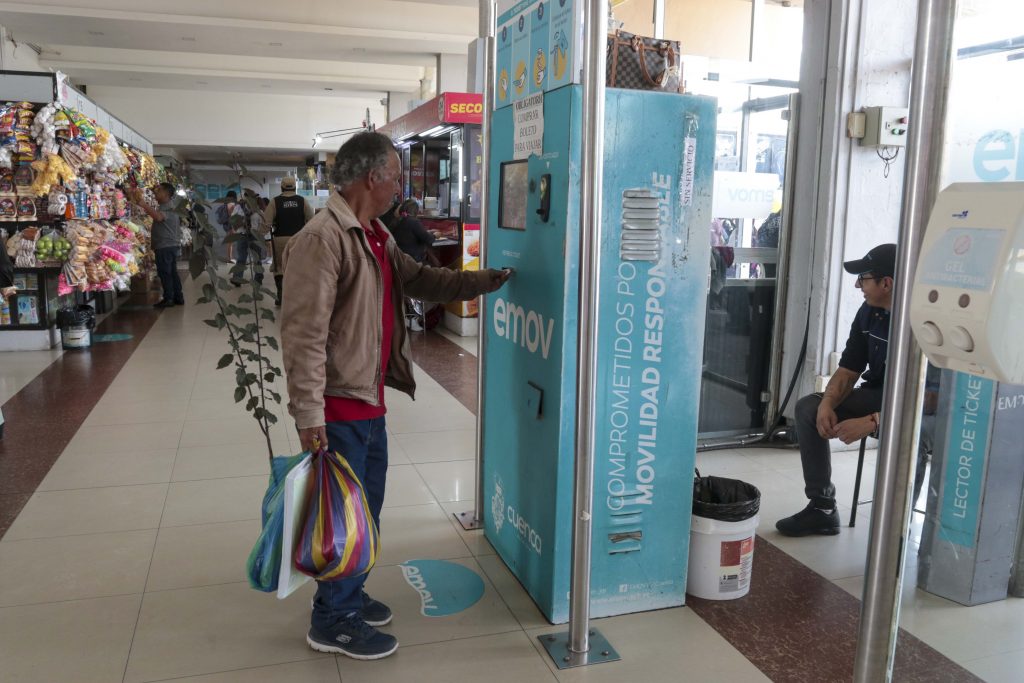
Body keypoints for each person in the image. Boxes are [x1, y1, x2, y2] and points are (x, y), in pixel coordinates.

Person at [280, 131, 510, 660]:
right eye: (395, 176)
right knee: (341, 516)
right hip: (337, 407)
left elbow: (424, 280)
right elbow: (304, 334)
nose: (400, 186)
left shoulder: (375, 233)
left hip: (367, 400)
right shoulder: (324, 239)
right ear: (371, 178)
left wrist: (484, 282)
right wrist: (308, 413)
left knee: (366, 510)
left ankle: (349, 593)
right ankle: (333, 620)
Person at [776, 243, 897, 537]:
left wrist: (873, 421)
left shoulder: (921, 319)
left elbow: (930, 400)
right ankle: (823, 508)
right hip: (878, 393)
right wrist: (828, 403)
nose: (858, 285)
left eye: (864, 278)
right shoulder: (869, 312)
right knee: (808, 407)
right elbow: (848, 369)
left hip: (915, 407)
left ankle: (896, 532)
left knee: (915, 439)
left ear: (886, 283)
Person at [133, 182, 184, 308]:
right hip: (168, 244)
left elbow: (158, 217)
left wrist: (143, 205)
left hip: (165, 245)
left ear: (166, 193)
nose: (156, 191)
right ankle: (178, 297)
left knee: (165, 272)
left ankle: (169, 299)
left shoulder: (168, 206)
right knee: (171, 272)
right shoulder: (166, 205)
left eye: (159, 190)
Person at [263, 177, 312, 305]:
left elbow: (266, 223)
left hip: (280, 238)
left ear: (282, 188)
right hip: (298, 239)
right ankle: (296, 296)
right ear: (295, 188)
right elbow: (311, 221)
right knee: (298, 266)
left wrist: (258, 235)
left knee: (280, 267)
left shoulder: (275, 202)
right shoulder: (302, 201)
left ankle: (281, 294)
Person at [230, 190, 266, 287]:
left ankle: (258, 278)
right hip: (242, 235)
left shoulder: (259, 208)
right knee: (241, 258)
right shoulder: (238, 207)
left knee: (257, 258)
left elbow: (264, 222)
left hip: (255, 236)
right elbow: (232, 220)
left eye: (253, 197)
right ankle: (237, 279)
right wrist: (241, 221)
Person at [390, 199, 436, 264]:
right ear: (415, 211)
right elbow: (428, 239)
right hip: (413, 260)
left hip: (399, 259)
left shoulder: (396, 221)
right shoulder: (413, 221)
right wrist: (435, 235)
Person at [216, 190, 238, 262]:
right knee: (232, 243)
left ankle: (230, 257)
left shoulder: (225, 204)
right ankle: (230, 258)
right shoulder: (232, 205)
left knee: (230, 243)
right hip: (232, 226)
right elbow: (233, 217)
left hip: (227, 226)